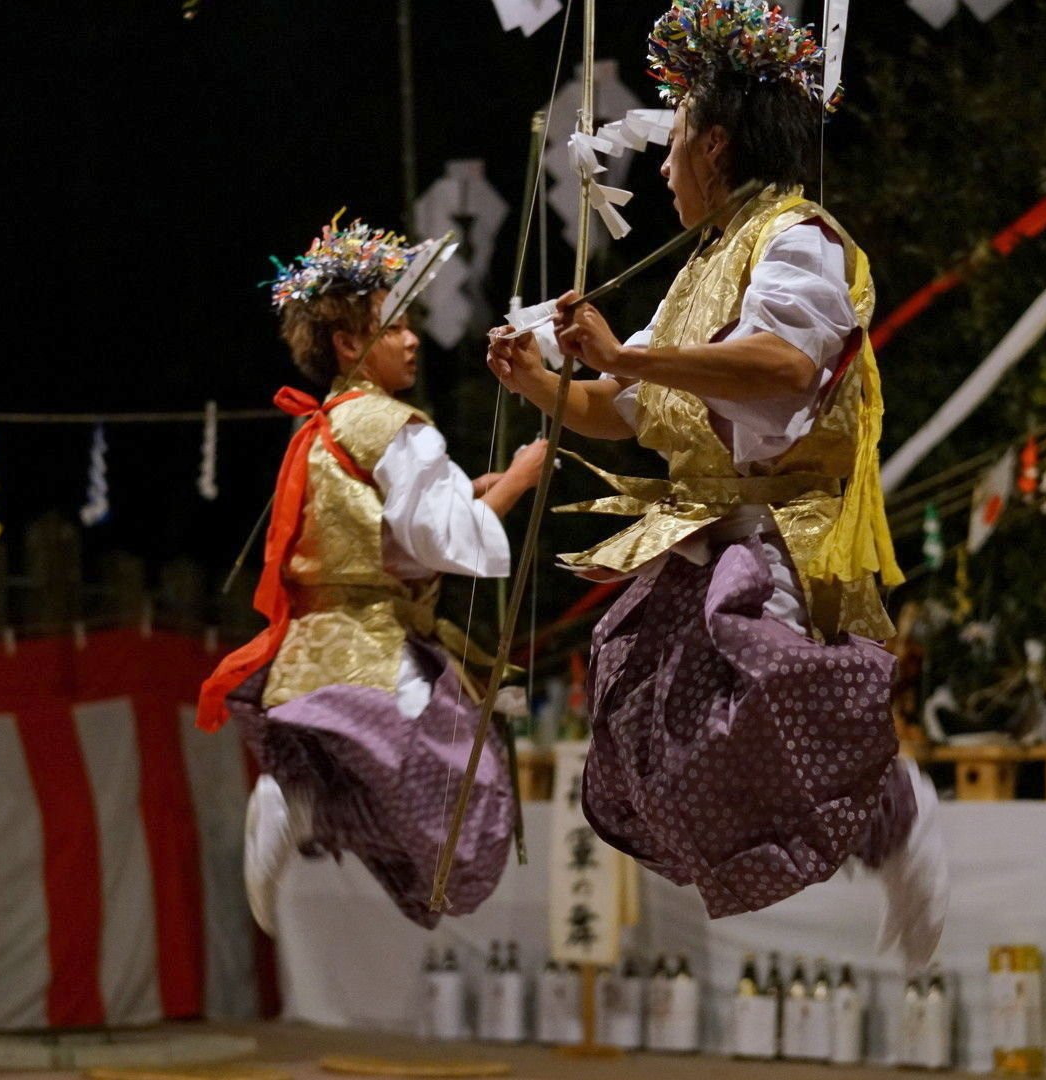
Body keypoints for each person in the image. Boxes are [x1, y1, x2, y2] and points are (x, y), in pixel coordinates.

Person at [485, 0, 945, 966]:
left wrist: (629, 359)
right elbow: (622, 408)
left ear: (717, 145)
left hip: (779, 534)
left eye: (674, 142)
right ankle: (880, 825)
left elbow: (783, 365)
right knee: (639, 715)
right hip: (705, 533)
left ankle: (896, 812)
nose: (662, 167)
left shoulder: (797, 238)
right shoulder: (706, 265)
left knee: (762, 685)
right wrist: (540, 382)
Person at [199, 217, 547, 930]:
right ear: (350, 344)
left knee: (409, 799)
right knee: (464, 796)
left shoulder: (329, 423)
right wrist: (518, 479)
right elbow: (443, 540)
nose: (412, 340)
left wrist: (468, 493)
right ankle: (296, 801)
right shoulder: (394, 426)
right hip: (374, 651)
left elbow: (385, 535)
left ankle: (303, 803)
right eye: (396, 328)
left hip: (322, 648)